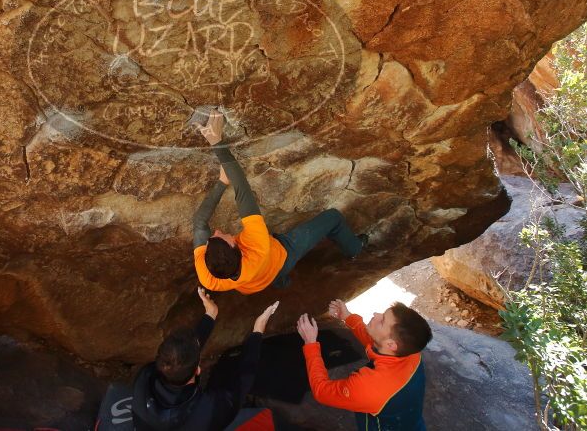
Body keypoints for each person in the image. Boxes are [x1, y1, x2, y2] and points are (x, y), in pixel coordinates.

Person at [193, 110, 367, 293]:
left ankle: (280, 281)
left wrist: (222, 182)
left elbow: (199, 223)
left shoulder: (210, 277)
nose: (217, 231)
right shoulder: (256, 245)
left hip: (256, 282)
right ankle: (355, 249)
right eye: (218, 237)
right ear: (237, 248)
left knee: (272, 274)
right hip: (283, 254)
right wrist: (216, 143)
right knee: (333, 218)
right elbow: (242, 188)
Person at [132, 288, 279, 431]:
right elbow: (243, 380)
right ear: (198, 370)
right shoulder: (209, 411)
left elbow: (183, 355)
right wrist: (258, 330)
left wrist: (210, 315)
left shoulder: (144, 378)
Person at [296, 300, 433, 430]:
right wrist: (348, 317)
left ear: (391, 345)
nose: (376, 315)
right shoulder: (411, 352)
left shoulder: (367, 387)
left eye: (382, 320)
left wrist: (310, 344)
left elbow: (322, 391)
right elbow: (376, 341)